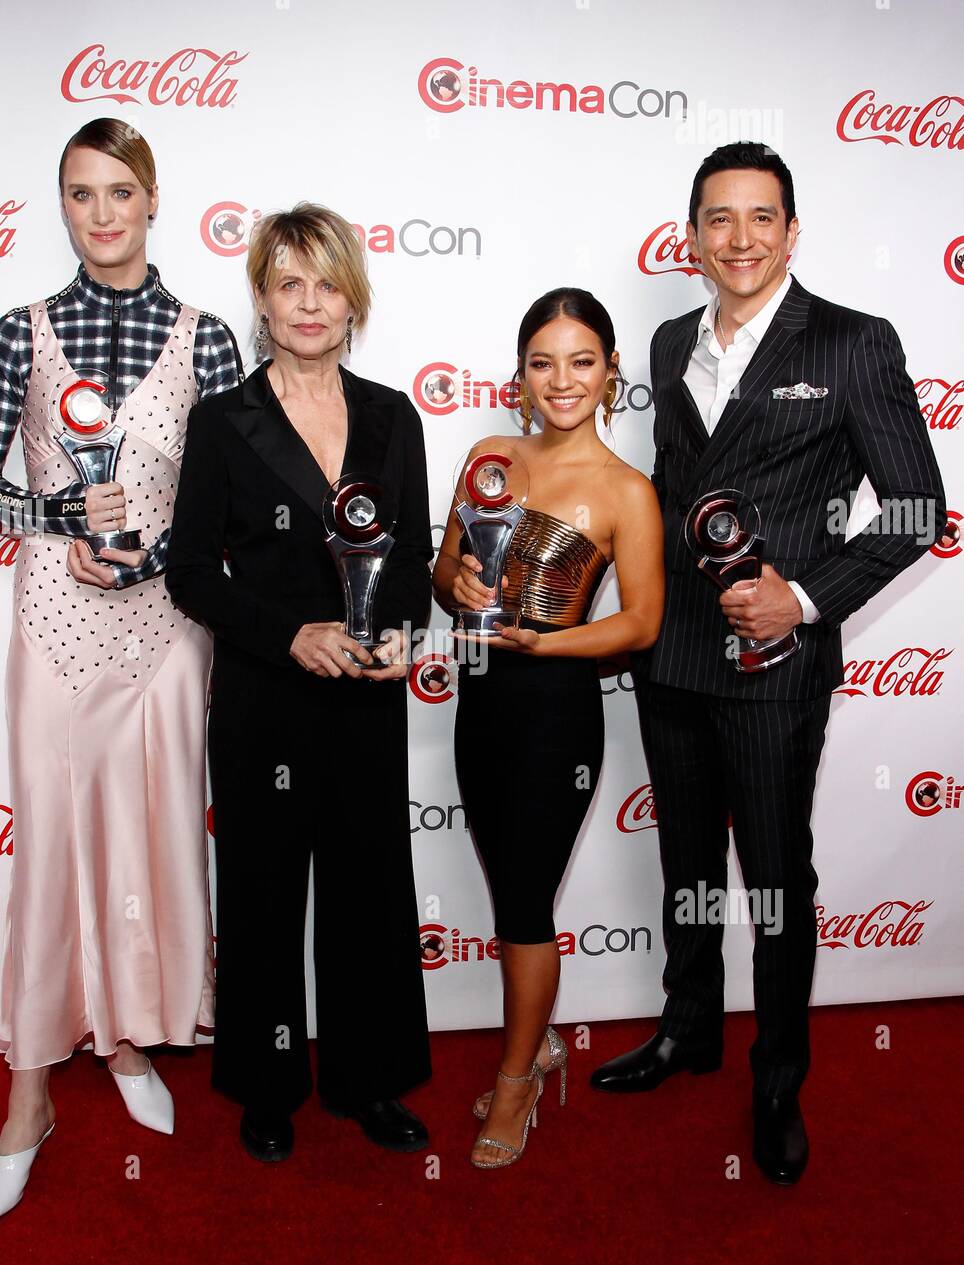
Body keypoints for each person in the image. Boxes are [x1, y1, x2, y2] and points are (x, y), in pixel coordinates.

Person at [590, 142, 947, 1185]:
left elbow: (916, 508)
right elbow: (671, 492)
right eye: (717, 218)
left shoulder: (850, 342)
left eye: (760, 218)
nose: (738, 238)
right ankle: (687, 1029)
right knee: (687, 865)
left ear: (791, 231)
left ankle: (777, 1077)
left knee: (777, 880)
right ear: (690, 234)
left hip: (777, 661)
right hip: (672, 657)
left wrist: (797, 594)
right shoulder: (664, 342)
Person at [0, 118, 242, 1229]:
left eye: (120, 190)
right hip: (56, 617)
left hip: (168, 626)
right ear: (63, 206)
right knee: (52, 852)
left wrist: (159, 551)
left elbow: (220, 503)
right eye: (81, 193)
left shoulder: (207, 338)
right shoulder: (17, 332)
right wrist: (59, 517)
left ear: (153, 197)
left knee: (153, 834)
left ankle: (125, 1039)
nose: (102, 212)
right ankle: (29, 1091)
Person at [165, 202, 433, 1163]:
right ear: (263, 302)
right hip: (264, 701)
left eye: (326, 283)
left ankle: (369, 1083)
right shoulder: (224, 421)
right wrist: (292, 636)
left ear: (352, 296)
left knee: (371, 894)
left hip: (366, 696)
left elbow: (412, 557)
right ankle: (268, 1084)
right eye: (289, 285)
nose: (309, 304)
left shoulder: (394, 416)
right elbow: (190, 571)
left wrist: (396, 632)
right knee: (264, 894)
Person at [432, 288, 664, 1168]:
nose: (560, 380)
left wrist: (554, 638)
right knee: (506, 894)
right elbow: (445, 566)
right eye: (542, 362)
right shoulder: (489, 457)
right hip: (478, 700)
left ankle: (518, 1076)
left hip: (556, 717)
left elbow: (641, 623)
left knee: (526, 904)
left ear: (609, 373)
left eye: (581, 361)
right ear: (520, 374)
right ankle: (542, 1042)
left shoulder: (625, 490)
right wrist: (452, 583)